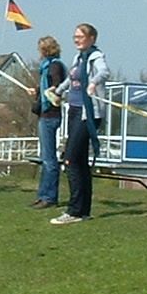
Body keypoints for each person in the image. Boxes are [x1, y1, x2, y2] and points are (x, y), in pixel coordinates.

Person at [51, 24, 109, 225]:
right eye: (74, 36)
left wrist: (93, 83)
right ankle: (83, 210)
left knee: (71, 159)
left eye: (80, 36)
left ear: (91, 38)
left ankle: (74, 210)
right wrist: (57, 91)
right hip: (74, 111)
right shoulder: (78, 58)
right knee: (80, 160)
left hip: (89, 113)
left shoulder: (95, 57)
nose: (76, 40)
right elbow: (70, 79)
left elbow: (104, 72)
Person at [27, 35, 66, 209]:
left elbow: (56, 87)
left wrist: (50, 92)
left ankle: (49, 197)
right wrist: (37, 91)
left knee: (49, 159)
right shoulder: (47, 68)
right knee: (45, 157)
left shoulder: (54, 66)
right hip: (46, 115)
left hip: (50, 116)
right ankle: (43, 194)